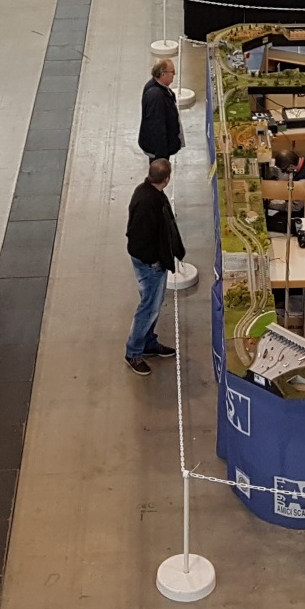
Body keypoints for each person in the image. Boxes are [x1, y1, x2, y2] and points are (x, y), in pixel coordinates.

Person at [125, 156, 184, 375]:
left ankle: (148, 342)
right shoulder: (148, 202)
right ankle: (133, 352)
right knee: (148, 308)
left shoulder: (146, 192)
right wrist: (154, 260)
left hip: (151, 262)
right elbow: (138, 238)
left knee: (153, 305)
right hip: (150, 265)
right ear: (166, 179)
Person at [138, 57, 184, 159]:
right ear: (163, 74)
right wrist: (161, 155)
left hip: (159, 148)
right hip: (159, 150)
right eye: (172, 72)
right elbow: (157, 127)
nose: (174, 75)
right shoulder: (156, 96)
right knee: (159, 168)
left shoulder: (158, 88)